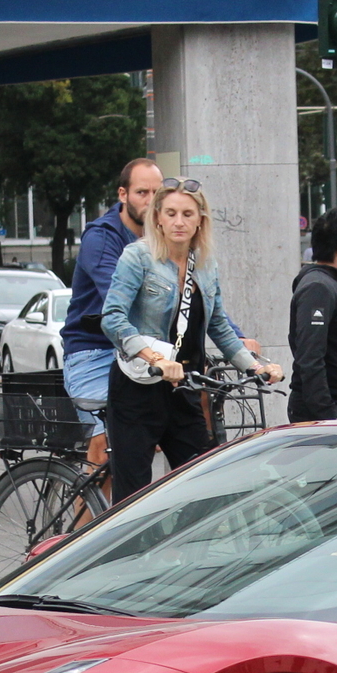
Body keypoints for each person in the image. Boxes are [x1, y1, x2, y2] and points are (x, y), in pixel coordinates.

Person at [99, 180, 280, 502]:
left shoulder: (205, 265)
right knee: (134, 496)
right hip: (138, 388)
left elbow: (219, 326)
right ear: (157, 218)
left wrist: (255, 367)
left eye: (187, 214)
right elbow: (112, 317)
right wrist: (155, 359)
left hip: (185, 388)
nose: (179, 222)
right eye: (171, 213)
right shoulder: (138, 258)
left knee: (201, 483)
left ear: (200, 220)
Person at [61, 157, 161, 477]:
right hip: (93, 353)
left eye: (156, 193)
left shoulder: (166, 237)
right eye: (142, 192)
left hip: (138, 353)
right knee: (104, 451)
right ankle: (84, 528)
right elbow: (120, 303)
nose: (150, 201)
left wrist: (236, 335)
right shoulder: (102, 238)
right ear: (123, 195)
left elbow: (195, 290)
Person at [288, 207, 337, 422]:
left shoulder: (331, 283)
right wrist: (328, 414)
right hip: (328, 410)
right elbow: (310, 356)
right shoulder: (318, 287)